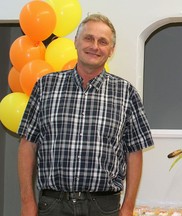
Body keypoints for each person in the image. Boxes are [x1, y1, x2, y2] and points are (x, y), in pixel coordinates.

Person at [17, 13, 154, 216]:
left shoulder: (126, 93)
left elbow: (134, 153)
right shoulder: (45, 86)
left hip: (103, 207)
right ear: (76, 41)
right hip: (53, 205)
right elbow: (28, 145)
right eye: (88, 38)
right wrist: (27, 202)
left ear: (111, 50)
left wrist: (127, 208)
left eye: (103, 41)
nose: (95, 46)